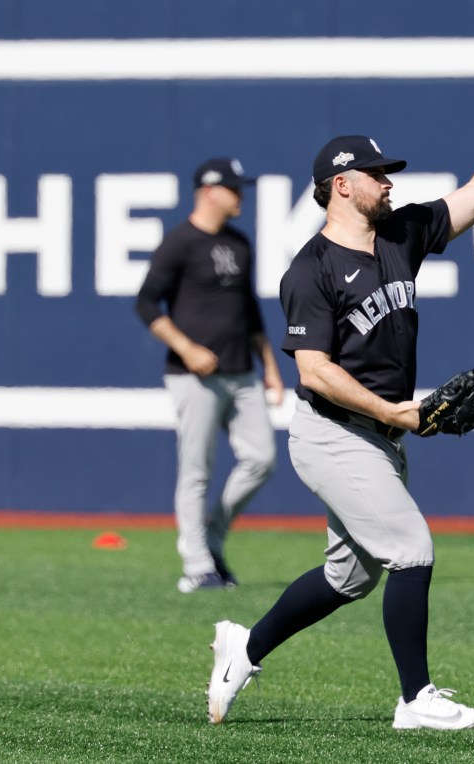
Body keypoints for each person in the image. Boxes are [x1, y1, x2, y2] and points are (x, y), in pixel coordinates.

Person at [206, 100, 474, 729]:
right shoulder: (311, 270)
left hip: (381, 436)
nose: (389, 181)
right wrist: (395, 410)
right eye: (376, 173)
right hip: (332, 434)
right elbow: (314, 371)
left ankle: (243, 649)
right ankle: (416, 699)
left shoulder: (399, 235)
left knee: (348, 578)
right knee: (412, 550)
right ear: (342, 185)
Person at [136, 157, 284, 594]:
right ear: (208, 191)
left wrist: (271, 367)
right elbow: (146, 304)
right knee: (196, 471)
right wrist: (186, 347)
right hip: (192, 375)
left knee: (261, 459)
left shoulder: (240, 243)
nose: (240, 196)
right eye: (234, 189)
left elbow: (250, 310)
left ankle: (211, 536)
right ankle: (197, 564)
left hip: (242, 371)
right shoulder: (179, 242)